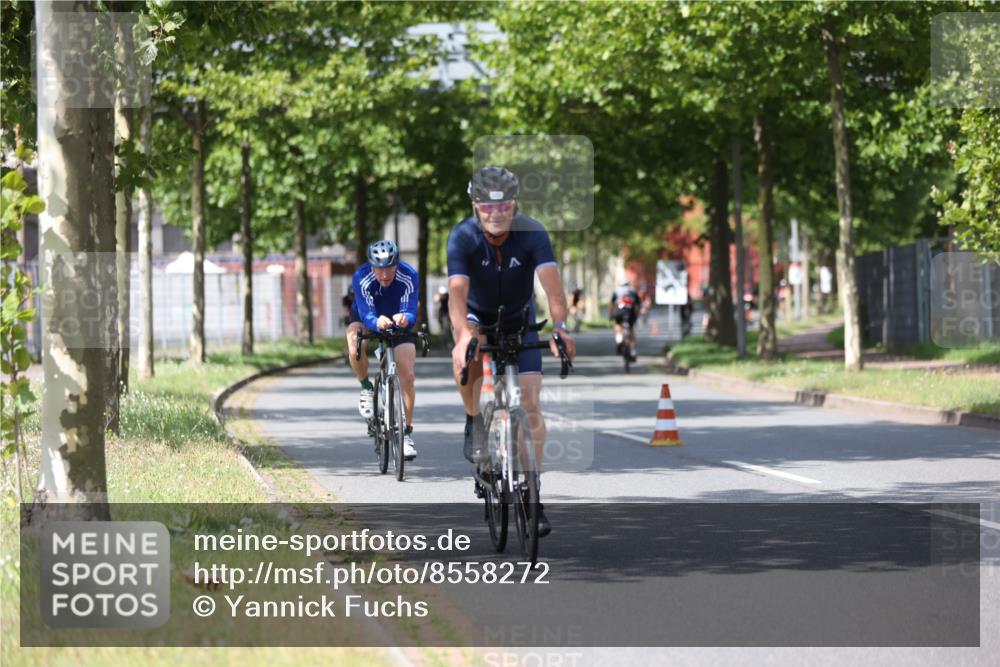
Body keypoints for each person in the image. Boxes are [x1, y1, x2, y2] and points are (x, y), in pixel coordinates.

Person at [447, 166, 577, 538]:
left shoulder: (532, 232)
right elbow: (457, 293)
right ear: (475, 207)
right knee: (470, 352)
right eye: (486, 208)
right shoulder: (463, 237)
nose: (495, 214)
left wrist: (561, 327)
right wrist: (461, 336)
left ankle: (530, 490)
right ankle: (475, 418)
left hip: (520, 318)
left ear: (514, 205)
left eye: (503, 206)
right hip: (476, 317)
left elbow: (553, 290)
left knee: (531, 405)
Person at [346, 240, 420, 460]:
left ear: (397, 265)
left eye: (389, 268)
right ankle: (367, 387)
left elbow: (411, 308)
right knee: (354, 344)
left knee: (407, 374)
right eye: (379, 269)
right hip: (367, 316)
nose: (384, 274)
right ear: (371, 266)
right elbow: (365, 311)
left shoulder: (410, 274)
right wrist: (376, 322)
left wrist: (405, 317)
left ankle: (406, 433)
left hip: (398, 320)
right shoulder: (361, 277)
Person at [609, 280, 639, 361]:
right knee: (631, 331)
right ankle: (632, 351)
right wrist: (636, 317)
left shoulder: (616, 292)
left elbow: (611, 305)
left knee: (618, 326)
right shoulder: (633, 292)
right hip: (630, 314)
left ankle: (619, 340)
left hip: (618, 313)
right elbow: (637, 306)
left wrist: (610, 315)